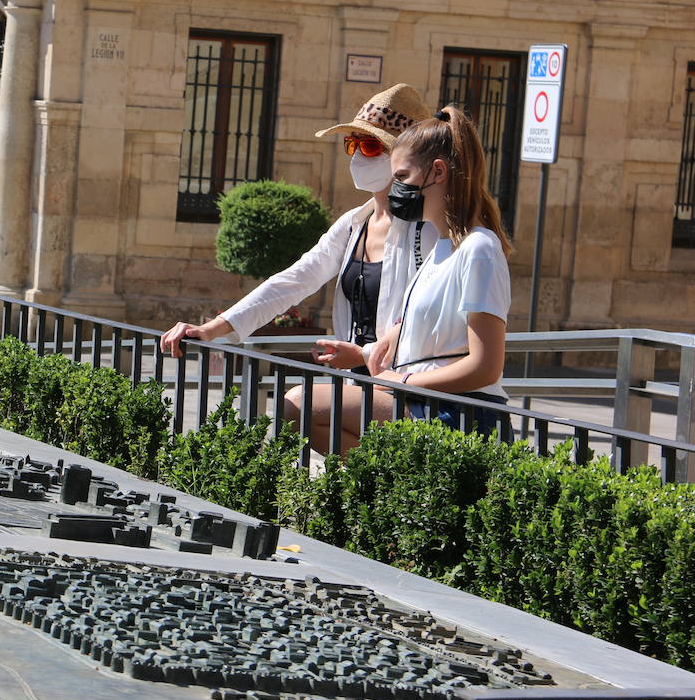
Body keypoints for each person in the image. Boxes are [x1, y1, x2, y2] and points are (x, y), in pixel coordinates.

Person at [159, 84, 437, 452]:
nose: (357, 156)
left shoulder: (428, 230)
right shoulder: (355, 222)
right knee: (325, 437)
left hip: (409, 384)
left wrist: (370, 352)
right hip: (362, 385)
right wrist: (212, 329)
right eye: (351, 144)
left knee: (297, 406)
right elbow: (293, 280)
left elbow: (433, 308)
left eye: (369, 146)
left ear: (402, 157)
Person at [366, 107, 514, 435]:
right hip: (428, 405)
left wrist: (404, 381)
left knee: (301, 403)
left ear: (437, 172)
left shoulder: (479, 249)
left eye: (402, 177)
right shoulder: (442, 250)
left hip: (456, 414)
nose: (395, 190)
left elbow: (486, 367)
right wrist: (395, 336)